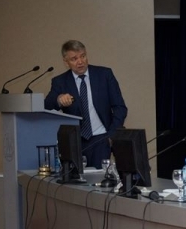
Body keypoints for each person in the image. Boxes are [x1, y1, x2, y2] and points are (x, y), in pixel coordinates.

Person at [45, 40, 128, 168]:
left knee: (100, 178)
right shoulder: (60, 81)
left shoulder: (104, 75)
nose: (80, 62)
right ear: (66, 62)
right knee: (76, 179)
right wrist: (59, 99)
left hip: (101, 139)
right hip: (75, 142)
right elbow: (47, 105)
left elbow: (120, 107)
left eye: (83, 56)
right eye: (74, 59)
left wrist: (111, 135)